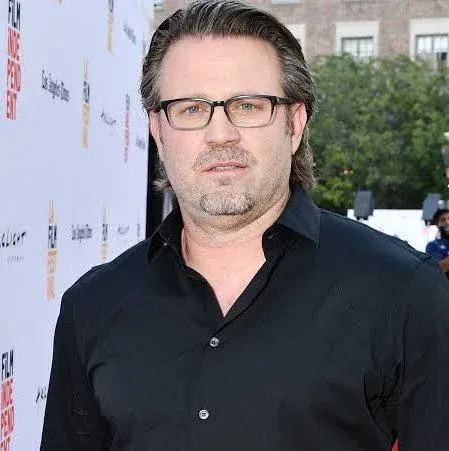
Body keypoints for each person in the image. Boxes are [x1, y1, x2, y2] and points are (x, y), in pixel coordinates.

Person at [40, 1, 449, 450]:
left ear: (295, 123)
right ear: (158, 130)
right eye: (191, 109)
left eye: (248, 105)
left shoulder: (405, 293)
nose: (220, 134)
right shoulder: (93, 306)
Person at [425, 208, 449, 277]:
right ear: (437, 225)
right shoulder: (433, 245)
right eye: (443, 220)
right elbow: (436, 269)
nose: (447, 222)